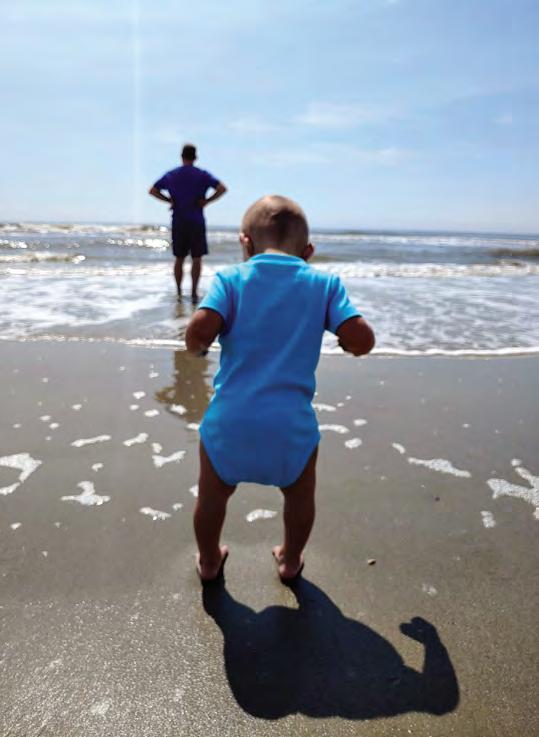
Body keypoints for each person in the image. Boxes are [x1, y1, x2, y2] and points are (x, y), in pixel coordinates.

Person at [185, 195, 375, 582]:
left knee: (212, 497)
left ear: (245, 243)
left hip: (230, 424)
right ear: (308, 252)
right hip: (291, 427)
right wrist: (347, 343)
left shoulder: (230, 280)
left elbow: (198, 331)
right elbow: (362, 340)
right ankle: (289, 560)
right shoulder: (324, 284)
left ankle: (209, 560)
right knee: (300, 497)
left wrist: (199, 346)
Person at [149, 144, 227, 303]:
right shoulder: (202, 175)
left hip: (179, 220)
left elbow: (153, 190)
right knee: (196, 258)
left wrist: (169, 200)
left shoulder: (172, 175)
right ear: (195, 157)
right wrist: (207, 201)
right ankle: (193, 293)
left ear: (181, 156)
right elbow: (222, 188)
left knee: (179, 258)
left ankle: (179, 292)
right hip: (196, 220)